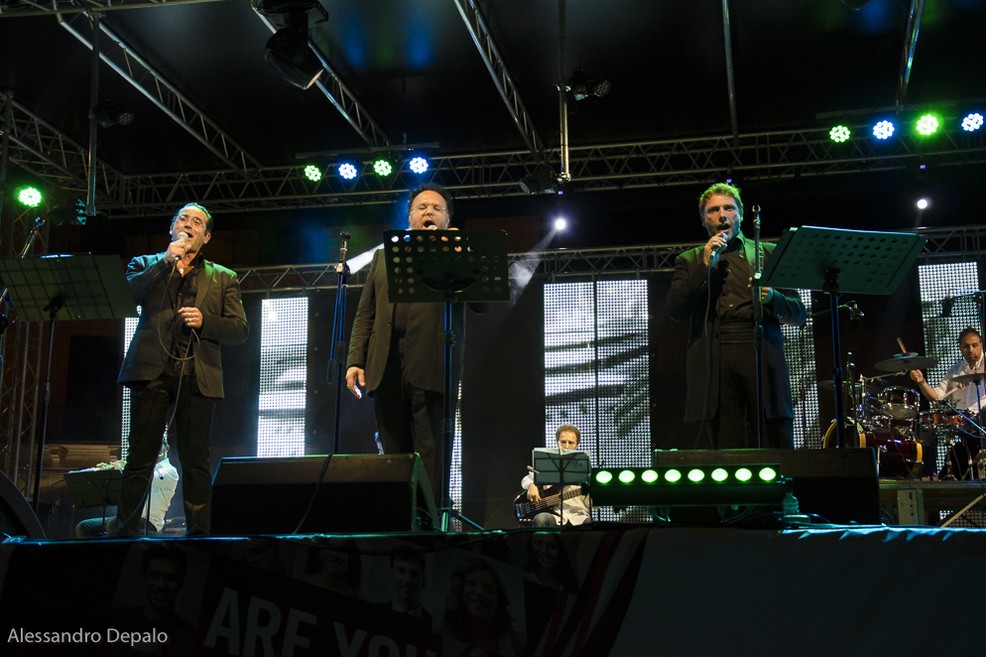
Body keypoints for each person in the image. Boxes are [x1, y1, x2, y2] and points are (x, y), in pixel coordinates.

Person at [116, 202, 249, 536]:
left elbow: (239, 330)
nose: (189, 224)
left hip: (197, 377)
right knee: (139, 460)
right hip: (151, 373)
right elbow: (127, 295)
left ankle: (199, 536)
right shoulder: (144, 264)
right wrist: (165, 262)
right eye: (183, 218)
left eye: (197, 222)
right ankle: (125, 533)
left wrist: (206, 322)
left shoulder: (223, 277)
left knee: (195, 463)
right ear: (172, 227)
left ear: (206, 237)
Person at [345, 183, 473, 506]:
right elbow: (367, 312)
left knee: (432, 456)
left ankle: (431, 524)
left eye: (437, 209)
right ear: (410, 217)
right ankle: (399, 520)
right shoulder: (383, 256)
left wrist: (461, 260)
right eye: (422, 207)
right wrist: (354, 359)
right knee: (392, 456)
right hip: (385, 364)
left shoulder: (455, 254)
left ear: (446, 220)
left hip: (432, 366)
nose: (428, 212)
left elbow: (482, 304)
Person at [666, 182, 806, 450]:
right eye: (713, 210)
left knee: (773, 439)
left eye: (729, 208)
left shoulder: (767, 252)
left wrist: (774, 297)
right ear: (704, 219)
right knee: (725, 444)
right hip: (715, 354)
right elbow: (675, 310)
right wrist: (705, 266)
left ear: (740, 215)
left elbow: (798, 313)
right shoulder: (690, 259)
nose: (722, 215)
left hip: (760, 349)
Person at [909, 327, 986, 479]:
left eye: (975, 345)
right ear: (960, 348)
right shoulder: (955, 370)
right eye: (966, 346)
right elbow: (936, 397)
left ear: (981, 345)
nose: (971, 349)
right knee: (927, 424)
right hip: (962, 419)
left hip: (983, 416)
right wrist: (922, 382)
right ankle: (929, 473)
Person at [104, 543, 197, 656]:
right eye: (154, 575)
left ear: (181, 581)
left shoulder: (187, 637)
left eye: (170, 578)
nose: (161, 585)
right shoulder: (117, 619)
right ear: (145, 576)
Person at [76, 440, 179, 537]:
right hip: (127, 517)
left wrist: (121, 468)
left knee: (114, 523)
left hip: (149, 520)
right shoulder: (141, 469)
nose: (157, 449)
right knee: (84, 526)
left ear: (167, 447)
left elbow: (142, 480)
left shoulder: (170, 471)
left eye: (159, 445)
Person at [438, 557, 524, 657]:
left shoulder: (516, 643)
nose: (479, 592)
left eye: (488, 589)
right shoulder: (444, 636)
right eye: (472, 583)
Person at [519, 424, 591, 527]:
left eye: (571, 443)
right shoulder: (547, 464)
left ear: (577, 445)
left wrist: (594, 494)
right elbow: (526, 479)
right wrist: (531, 485)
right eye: (563, 442)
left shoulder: (586, 470)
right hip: (554, 516)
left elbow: (591, 504)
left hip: (579, 517)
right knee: (541, 519)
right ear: (557, 442)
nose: (566, 446)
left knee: (590, 525)